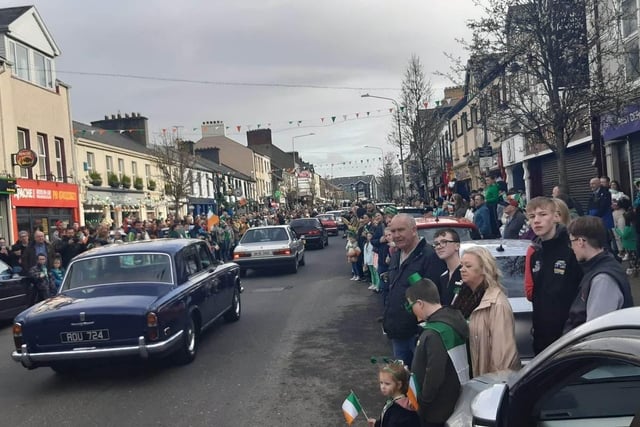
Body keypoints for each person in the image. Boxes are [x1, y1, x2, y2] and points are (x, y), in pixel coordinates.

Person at [383, 214, 447, 367]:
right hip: (398, 333)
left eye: (401, 230)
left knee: (420, 383)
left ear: (413, 230)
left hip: (418, 335)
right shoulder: (396, 255)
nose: (396, 235)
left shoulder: (430, 257)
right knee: (403, 383)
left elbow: (434, 298)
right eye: (393, 231)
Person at [406, 278, 469, 427]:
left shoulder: (434, 333)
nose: (411, 311)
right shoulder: (453, 320)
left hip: (436, 410)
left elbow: (434, 373)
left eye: (411, 306)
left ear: (420, 303)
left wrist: (422, 402)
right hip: (453, 400)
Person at [524, 197, 582, 354]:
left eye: (543, 214)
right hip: (542, 342)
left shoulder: (572, 251)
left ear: (556, 216)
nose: (536, 221)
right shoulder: (536, 254)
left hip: (568, 340)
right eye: (532, 216)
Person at [565, 216, 634, 331]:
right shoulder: (603, 265)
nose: (571, 248)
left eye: (571, 241)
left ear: (580, 242)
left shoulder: (603, 279)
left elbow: (594, 330)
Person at [459, 246, 520, 376]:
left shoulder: (497, 304)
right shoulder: (463, 296)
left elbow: (503, 356)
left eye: (468, 266)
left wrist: (494, 387)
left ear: (483, 269)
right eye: (461, 265)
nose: (462, 270)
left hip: (487, 380)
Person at [366, 360, 420, 427]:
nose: (383, 387)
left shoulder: (400, 412)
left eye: (387, 384)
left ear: (399, 385)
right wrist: (377, 424)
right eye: (381, 382)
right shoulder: (392, 401)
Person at [432, 229, 462, 305]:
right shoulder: (443, 277)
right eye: (436, 244)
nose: (439, 247)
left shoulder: (465, 273)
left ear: (457, 246)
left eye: (444, 242)